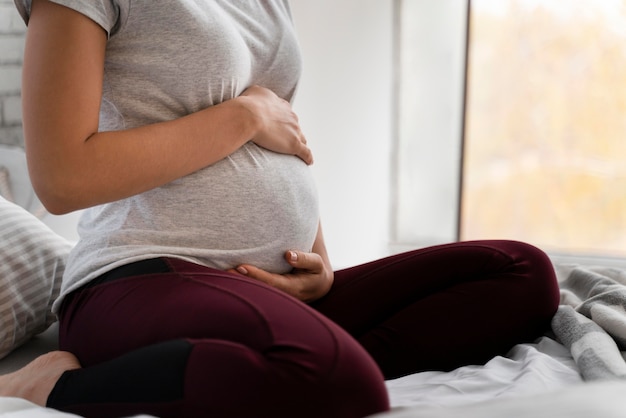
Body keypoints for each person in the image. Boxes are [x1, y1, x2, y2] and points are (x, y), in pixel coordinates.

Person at [2, 0, 560, 417]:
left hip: (270, 286)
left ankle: (286, 356)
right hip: (141, 275)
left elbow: (285, 133)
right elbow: (61, 177)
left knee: (522, 272)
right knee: (341, 381)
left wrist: (319, 264)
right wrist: (243, 118)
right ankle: (52, 387)